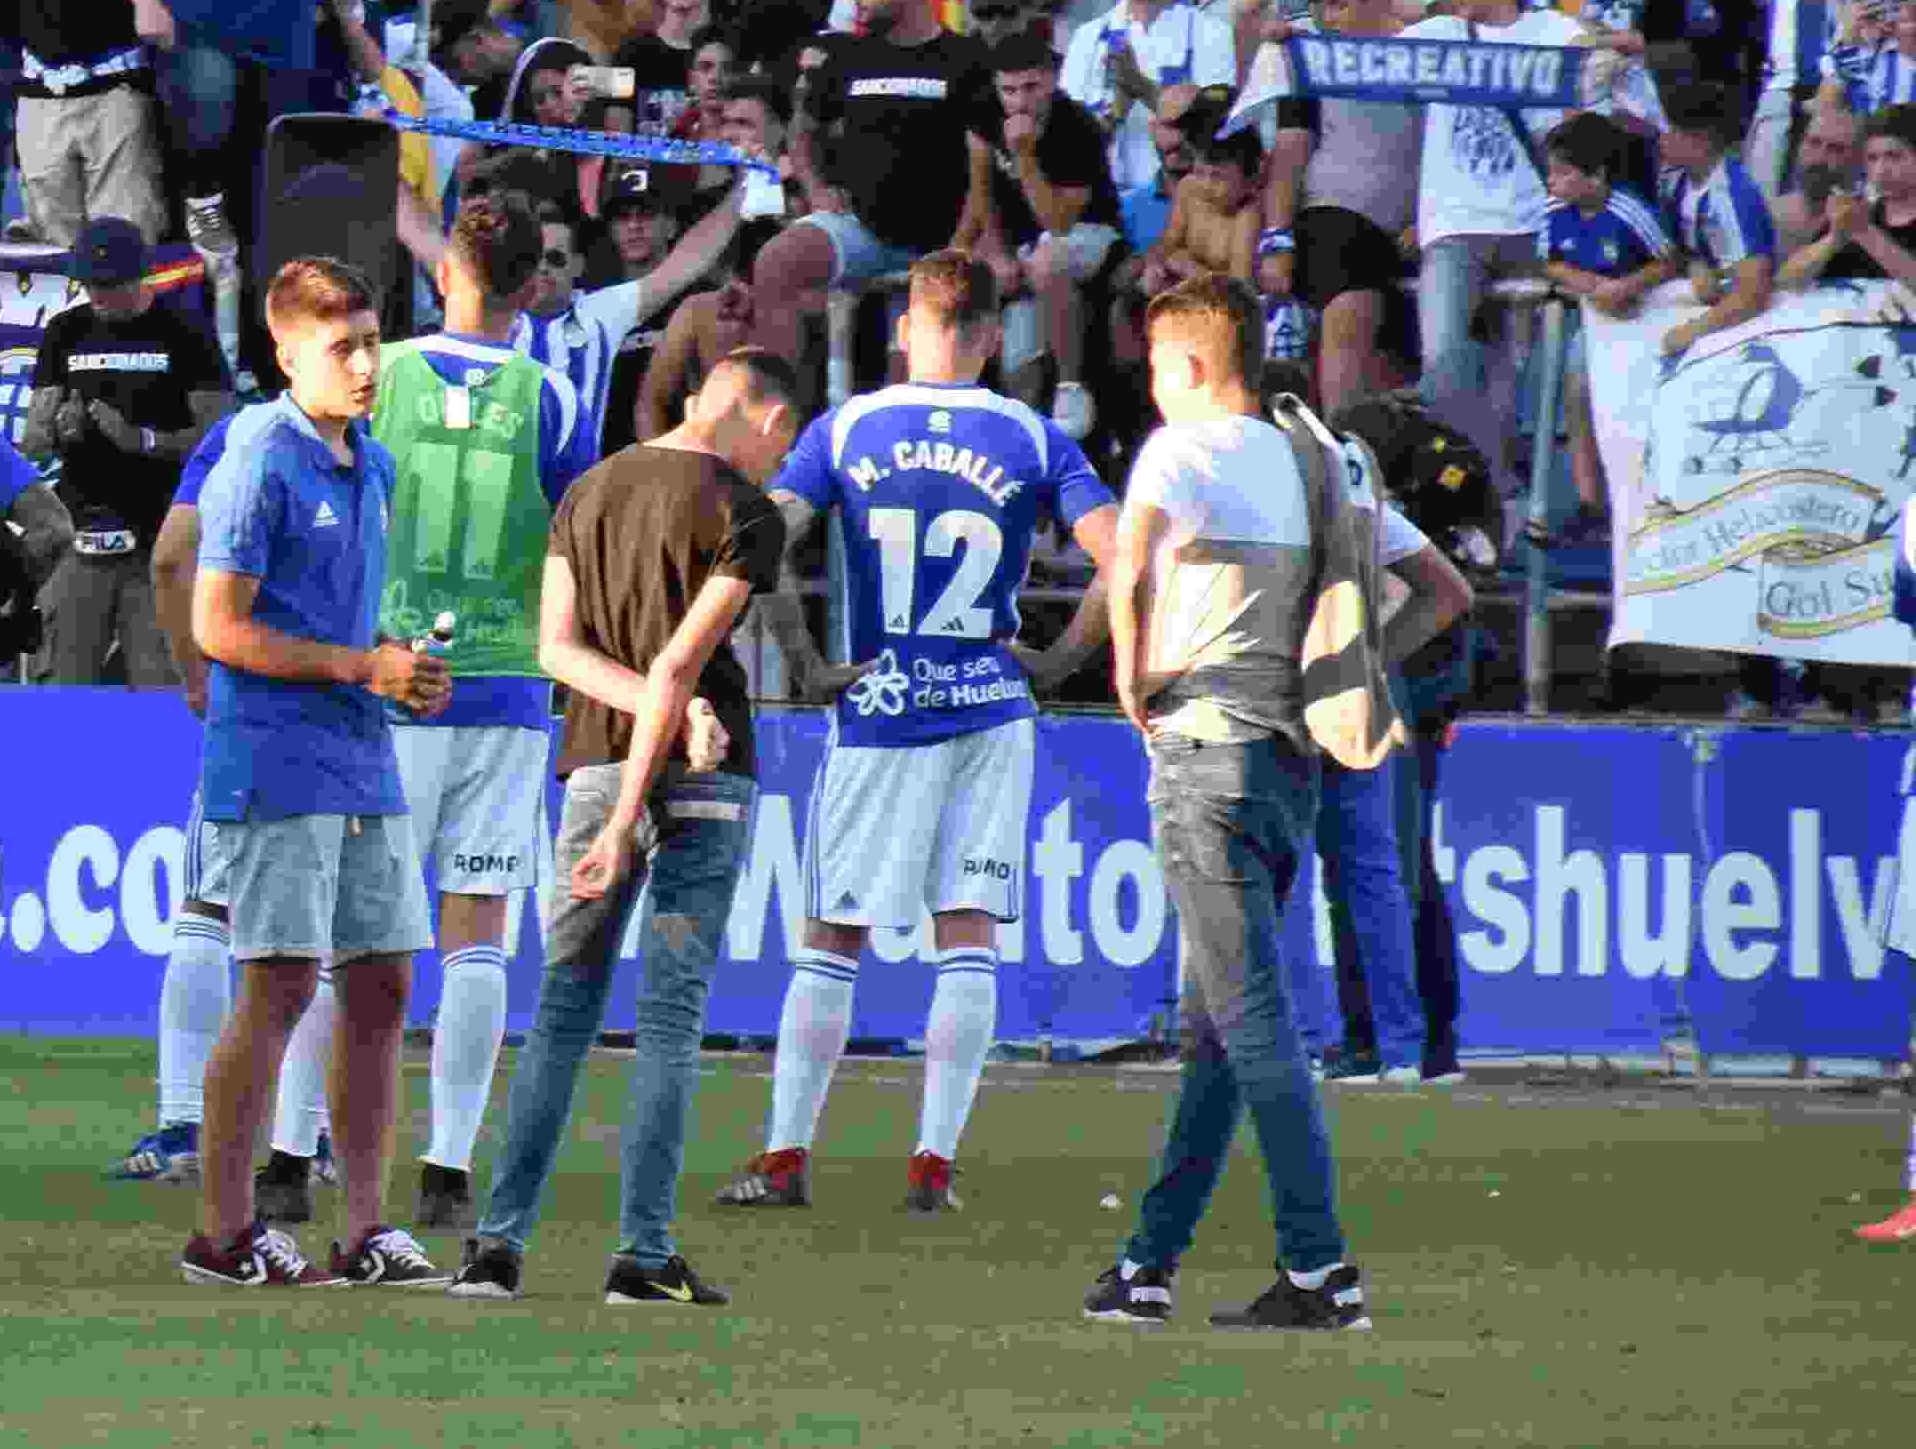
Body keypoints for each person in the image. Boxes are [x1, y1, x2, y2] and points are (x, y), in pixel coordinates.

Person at [1082, 280, 1460, 1332]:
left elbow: (1131, 556)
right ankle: (1147, 1263)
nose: (1155, 392)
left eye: (1160, 369)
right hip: (1291, 764)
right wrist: (1345, 662)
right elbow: (1446, 592)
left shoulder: (1184, 449)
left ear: (1194, 367)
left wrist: (1126, 674)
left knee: (1253, 1025)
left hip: (1204, 752)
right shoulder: (1327, 457)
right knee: (1219, 1025)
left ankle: (1320, 1267)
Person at [723, 250, 1120, 1215]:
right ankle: (932, 1167)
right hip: (991, 706)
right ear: (990, 336)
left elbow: (756, 537)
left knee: (832, 935)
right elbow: (1124, 554)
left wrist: (806, 662)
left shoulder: (850, 424)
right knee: (967, 935)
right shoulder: (1028, 432)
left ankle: (784, 1160)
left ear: (904, 327)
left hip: (880, 707)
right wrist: (1065, 655)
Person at [451, 350, 812, 1307]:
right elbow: (678, 670)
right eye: (785, 442)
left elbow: (555, 650)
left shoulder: (591, 488)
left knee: (560, 1015)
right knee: (669, 1022)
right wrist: (640, 791)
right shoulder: (749, 512)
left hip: (592, 764)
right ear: (766, 420)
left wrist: (614, 793)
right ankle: (641, 1258)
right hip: (701, 780)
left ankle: (495, 1249)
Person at [180, 257, 446, 1292]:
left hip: (361, 757)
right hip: (275, 759)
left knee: (382, 983)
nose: (369, 364)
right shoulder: (259, 459)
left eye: (374, 341)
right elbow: (215, 626)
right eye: (344, 348)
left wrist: (399, 666)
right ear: (286, 354)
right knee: (280, 985)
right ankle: (222, 1232)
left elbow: (343, 623)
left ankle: (368, 1228)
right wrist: (355, 665)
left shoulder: (368, 462)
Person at [366, 200, 574, 1236]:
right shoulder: (553, 398)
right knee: (477, 934)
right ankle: (448, 1164)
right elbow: (579, 545)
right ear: (533, 286)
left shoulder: (381, 373)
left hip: (389, 681)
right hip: (503, 687)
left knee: (351, 931)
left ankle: (303, 1142)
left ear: (448, 268)